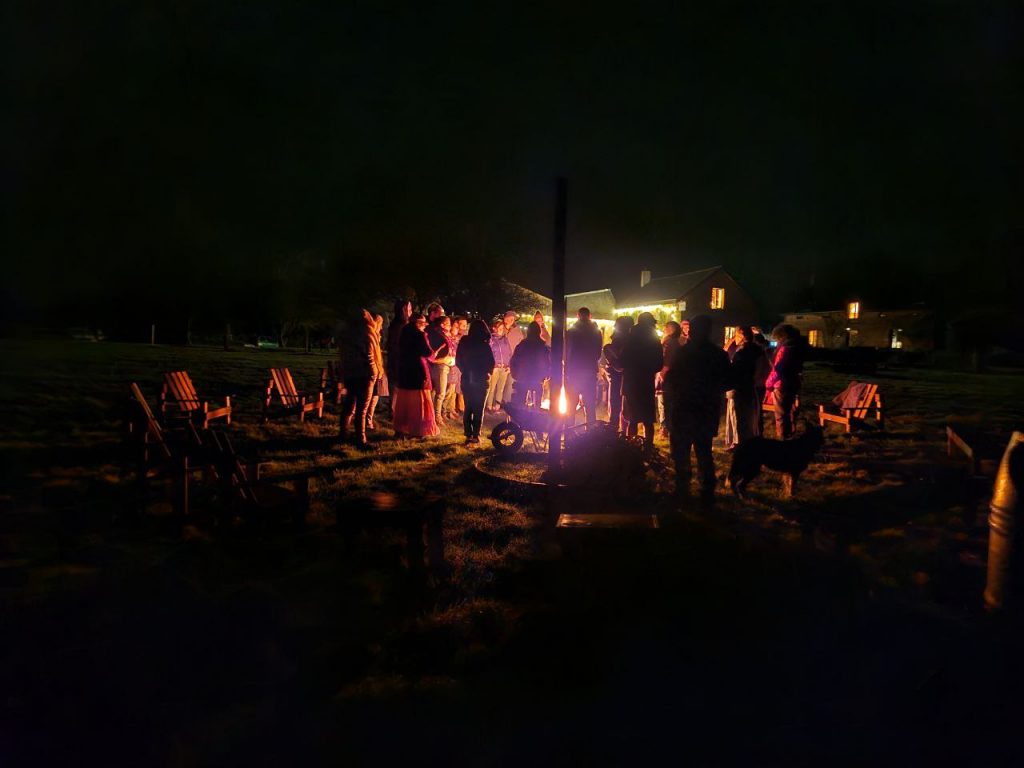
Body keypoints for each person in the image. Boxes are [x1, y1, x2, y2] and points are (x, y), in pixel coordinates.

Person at [664, 314, 730, 504]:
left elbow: (671, 380)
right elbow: (728, 381)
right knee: (704, 451)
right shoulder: (718, 355)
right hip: (705, 409)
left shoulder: (683, 353)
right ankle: (706, 491)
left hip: (684, 409)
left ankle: (683, 489)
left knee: (682, 452)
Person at [621, 312, 664, 451]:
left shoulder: (630, 337)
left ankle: (631, 448)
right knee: (647, 419)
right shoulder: (654, 339)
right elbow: (659, 364)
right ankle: (648, 447)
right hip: (646, 382)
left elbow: (622, 360)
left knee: (632, 419)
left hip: (631, 382)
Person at [392, 313, 440, 438]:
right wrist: (433, 353)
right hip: (418, 370)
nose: (425, 326)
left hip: (405, 370)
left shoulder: (403, 333)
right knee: (419, 401)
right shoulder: (420, 335)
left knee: (404, 401)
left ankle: (400, 429)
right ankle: (418, 430)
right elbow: (427, 352)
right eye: (423, 323)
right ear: (419, 323)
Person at [340, 309, 382, 449]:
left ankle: (343, 434)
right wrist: (374, 372)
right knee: (362, 409)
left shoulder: (347, 333)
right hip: (364, 374)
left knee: (349, 405)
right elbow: (369, 356)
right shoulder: (367, 332)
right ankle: (361, 439)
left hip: (350, 373)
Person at [726, 326, 767, 448]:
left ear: (741, 336)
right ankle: (750, 441)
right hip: (752, 387)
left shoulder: (741, 352)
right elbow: (762, 369)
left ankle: (739, 443)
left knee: (738, 416)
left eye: (736, 335)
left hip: (739, 387)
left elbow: (734, 369)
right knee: (751, 416)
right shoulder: (758, 350)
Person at [456, 319, 495, 444]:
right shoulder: (484, 345)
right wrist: (488, 372)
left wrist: (464, 370)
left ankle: (468, 433)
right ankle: (476, 434)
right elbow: (491, 362)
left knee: (468, 406)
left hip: (467, 378)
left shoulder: (464, 342)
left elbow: (458, 360)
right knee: (479, 408)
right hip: (481, 378)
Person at [765, 323, 805, 439]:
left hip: (782, 385)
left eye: (777, 339)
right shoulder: (797, 348)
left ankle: (782, 438)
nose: (776, 341)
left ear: (782, 336)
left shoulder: (785, 349)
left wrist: (768, 384)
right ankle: (791, 436)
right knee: (790, 412)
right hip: (793, 382)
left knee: (781, 414)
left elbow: (778, 369)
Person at [565, 307, 604, 425]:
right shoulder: (596, 332)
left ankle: (569, 431)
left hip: (574, 372)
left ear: (578, 316)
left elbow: (566, 352)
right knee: (590, 405)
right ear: (590, 316)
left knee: (571, 405)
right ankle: (590, 431)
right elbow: (598, 354)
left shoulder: (571, 331)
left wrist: (567, 368)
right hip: (589, 371)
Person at [603, 315, 633, 433]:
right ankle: (624, 429)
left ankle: (614, 427)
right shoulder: (632, 339)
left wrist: (612, 363)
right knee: (625, 402)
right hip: (628, 375)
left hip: (618, 375)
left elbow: (617, 361)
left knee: (616, 401)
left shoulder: (620, 339)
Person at [510, 321, 550, 407]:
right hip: (537, 378)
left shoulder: (522, 345)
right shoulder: (542, 347)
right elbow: (547, 362)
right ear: (539, 332)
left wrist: (515, 373)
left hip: (523, 376)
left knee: (520, 403)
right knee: (537, 404)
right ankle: (535, 414)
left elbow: (514, 360)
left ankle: (521, 415)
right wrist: (546, 375)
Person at [426, 316, 455, 425]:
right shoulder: (437, 335)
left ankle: (435, 414)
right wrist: (444, 359)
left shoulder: (446, 335)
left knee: (441, 391)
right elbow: (435, 355)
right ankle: (436, 416)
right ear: (442, 325)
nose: (450, 326)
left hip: (446, 365)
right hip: (440, 366)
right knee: (440, 392)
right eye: (448, 323)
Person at [657, 321, 683, 435]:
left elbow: (667, 360)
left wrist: (661, 374)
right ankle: (668, 427)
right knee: (666, 402)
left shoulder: (670, 342)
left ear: (671, 330)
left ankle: (667, 428)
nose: (664, 330)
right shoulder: (675, 342)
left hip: (667, 377)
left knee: (665, 402)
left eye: (666, 328)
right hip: (672, 376)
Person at [366, 314, 389, 431]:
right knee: (369, 398)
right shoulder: (370, 335)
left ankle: (368, 420)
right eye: (380, 324)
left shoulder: (376, 335)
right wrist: (376, 370)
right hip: (373, 371)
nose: (381, 327)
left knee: (374, 397)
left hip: (378, 370)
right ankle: (366, 422)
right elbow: (371, 355)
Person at [443, 315, 468, 418]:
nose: (458, 329)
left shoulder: (457, 339)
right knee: (449, 390)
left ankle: (450, 409)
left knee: (453, 390)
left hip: (457, 366)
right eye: (456, 327)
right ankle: (445, 410)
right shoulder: (449, 338)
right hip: (451, 366)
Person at [485, 318, 512, 412]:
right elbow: (489, 354)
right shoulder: (491, 340)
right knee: (492, 388)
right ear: (494, 328)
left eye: (502, 328)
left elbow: (509, 353)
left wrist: (509, 365)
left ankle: (497, 405)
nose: (501, 330)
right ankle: (489, 405)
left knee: (500, 388)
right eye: (499, 328)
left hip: (504, 368)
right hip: (495, 368)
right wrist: (492, 366)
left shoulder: (505, 340)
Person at [386, 299, 413, 389]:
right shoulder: (400, 326)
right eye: (409, 309)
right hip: (399, 362)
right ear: (403, 311)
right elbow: (398, 345)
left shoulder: (403, 325)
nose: (411, 312)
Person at [500, 311, 525, 405]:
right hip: (502, 360)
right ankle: (497, 402)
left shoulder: (517, 331)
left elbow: (521, 344)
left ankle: (506, 402)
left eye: (512, 319)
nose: (511, 320)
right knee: (500, 383)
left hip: (513, 359)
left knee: (510, 383)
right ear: (505, 318)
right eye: (509, 318)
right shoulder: (501, 328)